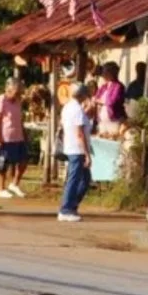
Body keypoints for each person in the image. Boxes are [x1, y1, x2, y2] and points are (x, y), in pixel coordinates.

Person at [58, 80, 97, 222]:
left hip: (72, 147)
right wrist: (87, 154)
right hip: (77, 149)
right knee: (74, 179)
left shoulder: (68, 107)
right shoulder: (77, 109)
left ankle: (72, 205)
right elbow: (80, 133)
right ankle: (66, 209)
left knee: (85, 179)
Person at [0, 76, 30, 199]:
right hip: (6, 137)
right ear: (9, 88)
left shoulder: (18, 102)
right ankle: (1, 188)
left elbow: (20, 119)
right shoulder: (1, 100)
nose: (18, 93)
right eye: (16, 90)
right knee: (4, 163)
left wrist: (24, 134)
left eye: (19, 90)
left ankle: (14, 184)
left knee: (23, 161)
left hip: (18, 137)